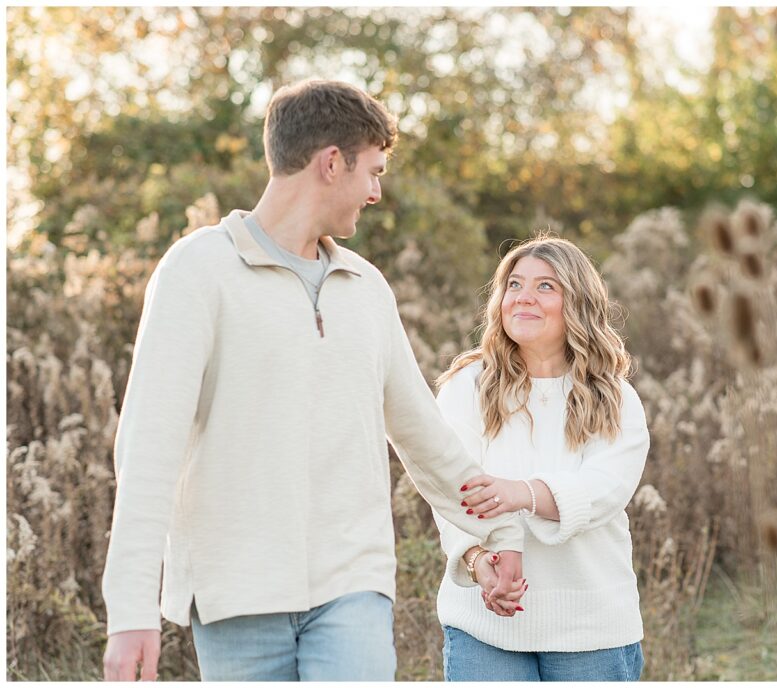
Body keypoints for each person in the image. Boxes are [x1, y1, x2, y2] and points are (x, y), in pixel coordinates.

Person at [100, 79, 525, 682]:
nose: (377, 192)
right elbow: (148, 450)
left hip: (352, 583)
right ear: (331, 163)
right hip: (236, 594)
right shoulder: (197, 273)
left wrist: (498, 528)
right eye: (373, 172)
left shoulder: (366, 287)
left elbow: (423, 435)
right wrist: (130, 609)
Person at [431, 236, 650, 681]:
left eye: (546, 286)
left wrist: (522, 494)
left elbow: (604, 490)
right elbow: (447, 489)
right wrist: (477, 560)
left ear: (579, 303)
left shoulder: (615, 397)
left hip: (592, 628)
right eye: (514, 284)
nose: (524, 296)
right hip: (483, 624)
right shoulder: (466, 386)